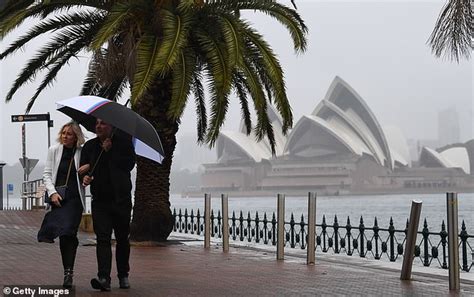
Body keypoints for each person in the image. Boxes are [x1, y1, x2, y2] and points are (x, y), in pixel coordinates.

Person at [81, 119, 136, 291]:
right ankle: (103, 277)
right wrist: (86, 176)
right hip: (100, 201)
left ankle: (123, 275)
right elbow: (84, 169)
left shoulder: (125, 144)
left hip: (121, 200)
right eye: (97, 123)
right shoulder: (90, 146)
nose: (99, 126)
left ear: (112, 126)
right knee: (103, 239)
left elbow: (129, 165)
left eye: (103, 123)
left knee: (122, 239)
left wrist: (111, 151)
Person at [38, 121, 90, 288]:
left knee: (68, 230)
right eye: (63, 133)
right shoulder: (54, 150)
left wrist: (87, 173)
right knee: (66, 235)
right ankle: (68, 271)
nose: (65, 136)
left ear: (76, 136)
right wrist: (52, 193)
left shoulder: (82, 152)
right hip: (59, 198)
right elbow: (47, 174)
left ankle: (68, 271)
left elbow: (89, 174)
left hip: (75, 200)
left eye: (69, 134)